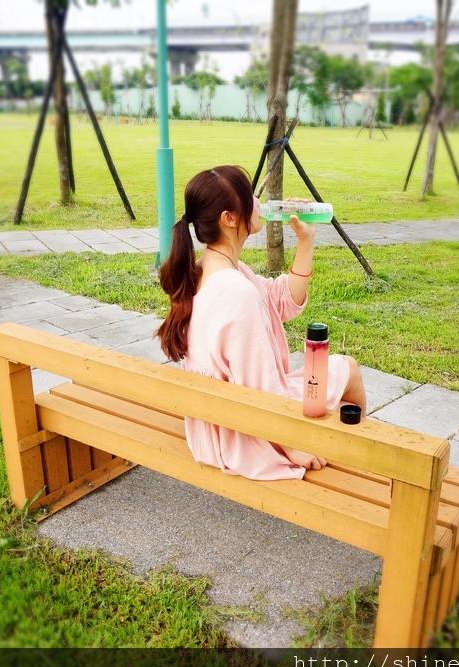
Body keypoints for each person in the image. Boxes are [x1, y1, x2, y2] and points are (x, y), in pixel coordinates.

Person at [156, 165, 367, 481]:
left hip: (216, 422)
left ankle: (347, 447)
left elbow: (282, 300)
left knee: (340, 374)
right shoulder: (236, 291)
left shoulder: (209, 268)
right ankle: (364, 465)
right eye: (251, 196)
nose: (259, 202)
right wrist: (291, 446)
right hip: (242, 435)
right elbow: (262, 385)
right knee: (348, 369)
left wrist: (306, 239)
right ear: (229, 218)